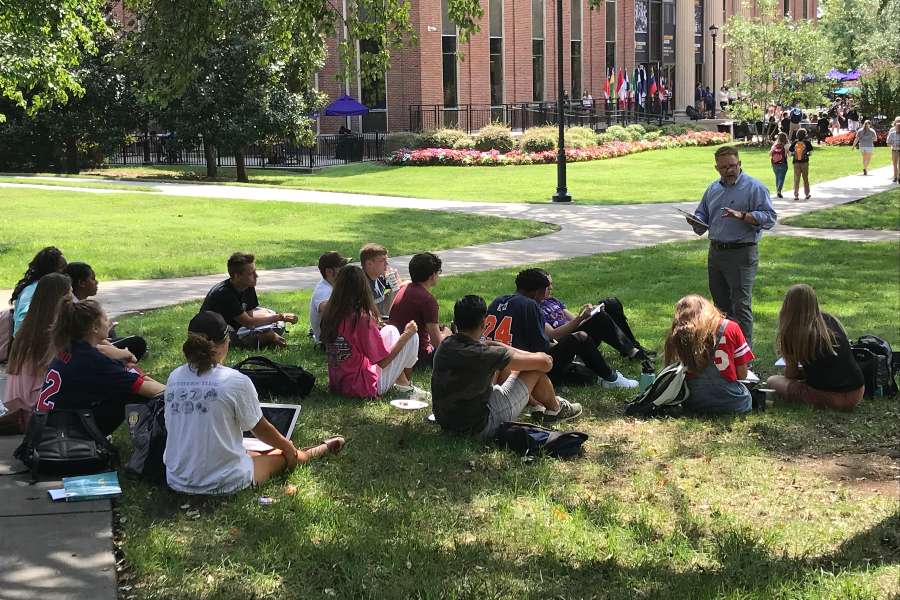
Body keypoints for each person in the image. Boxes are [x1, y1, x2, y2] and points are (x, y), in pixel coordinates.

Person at [163, 311, 345, 494]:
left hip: (177, 479)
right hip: (223, 483)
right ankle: (316, 451)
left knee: (255, 452)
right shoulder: (234, 381)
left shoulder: (174, 377)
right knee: (281, 454)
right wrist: (287, 447)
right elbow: (261, 430)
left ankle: (304, 450)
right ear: (226, 342)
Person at [432, 295, 581, 438]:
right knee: (534, 369)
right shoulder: (485, 354)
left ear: (456, 321)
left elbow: (490, 350)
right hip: (478, 426)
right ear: (484, 323)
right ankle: (555, 409)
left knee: (506, 368)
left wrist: (497, 345)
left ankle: (536, 405)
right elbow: (545, 363)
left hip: (446, 421)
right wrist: (513, 350)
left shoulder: (446, 344)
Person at [486, 269, 638, 389]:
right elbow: (541, 348)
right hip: (522, 367)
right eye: (546, 290)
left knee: (582, 369)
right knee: (580, 338)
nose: (547, 294)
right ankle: (611, 379)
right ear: (538, 291)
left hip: (497, 363)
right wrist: (567, 346)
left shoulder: (498, 301)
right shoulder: (530, 306)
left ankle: (592, 370)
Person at [34, 299, 166, 435]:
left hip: (42, 428)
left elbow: (133, 376)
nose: (109, 323)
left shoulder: (67, 348)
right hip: (67, 435)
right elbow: (149, 390)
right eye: (105, 318)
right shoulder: (93, 360)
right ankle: (152, 439)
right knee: (133, 393)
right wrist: (180, 391)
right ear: (94, 328)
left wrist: (121, 355)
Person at [689, 146, 777, 350]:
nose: (729, 170)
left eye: (732, 165)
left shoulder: (755, 187)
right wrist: (696, 220)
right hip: (716, 252)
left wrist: (744, 216)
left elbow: (770, 218)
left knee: (741, 305)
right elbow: (702, 214)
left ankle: (744, 358)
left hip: (742, 252)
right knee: (720, 305)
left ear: (740, 164)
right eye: (723, 167)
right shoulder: (713, 189)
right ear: (716, 168)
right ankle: (725, 350)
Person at [320, 265, 423, 399]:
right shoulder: (360, 318)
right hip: (363, 387)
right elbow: (383, 362)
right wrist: (406, 335)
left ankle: (403, 385)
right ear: (363, 288)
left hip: (339, 384)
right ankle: (406, 387)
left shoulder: (331, 315)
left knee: (390, 330)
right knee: (412, 336)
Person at [765, 285, 864, 411]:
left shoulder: (792, 332)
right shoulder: (829, 320)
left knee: (772, 381)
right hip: (857, 392)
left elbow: (791, 374)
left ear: (787, 305)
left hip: (831, 398)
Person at [0, 274, 72, 434]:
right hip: (36, 411)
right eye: (69, 296)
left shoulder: (27, 329)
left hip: (16, 407)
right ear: (60, 299)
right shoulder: (52, 333)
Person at [663, 295, 753, 415]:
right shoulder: (731, 327)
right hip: (734, 402)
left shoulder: (679, 334)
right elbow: (742, 374)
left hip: (693, 403)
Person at [538, 271, 654, 363]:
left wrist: (589, 313)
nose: (551, 288)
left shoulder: (552, 301)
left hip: (578, 330)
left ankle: (633, 345)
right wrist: (582, 318)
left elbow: (574, 320)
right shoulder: (535, 309)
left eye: (551, 284)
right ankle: (632, 352)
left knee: (611, 303)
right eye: (547, 286)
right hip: (570, 341)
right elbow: (554, 335)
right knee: (600, 318)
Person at [199, 252, 297, 349]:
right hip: (215, 335)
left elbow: (250, 317)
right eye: (251, 273)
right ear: (237, 276)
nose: (256, 276)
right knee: (274, 325)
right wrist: (279, 317)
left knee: (269, 314)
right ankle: (266, 337)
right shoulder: (224, 293)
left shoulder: (248, 286)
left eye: (255, 271)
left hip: (237, 325)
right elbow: (249, 323)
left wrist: (273, 317)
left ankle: (266, 336)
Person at [65, 261, 148, 361]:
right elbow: (89, 341)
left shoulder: (79, 304)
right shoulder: (76, 309)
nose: (97, 282)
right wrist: (121, 352)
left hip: (94, 343)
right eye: (92, 279)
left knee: (111, 332)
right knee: (137, 342)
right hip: (90, 350)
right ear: (81, 283)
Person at [388, 252, 451, 368]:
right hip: (418, 357)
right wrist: (447, 335)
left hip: (395, 349)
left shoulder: (404, 287)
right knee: (453, 344)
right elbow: (437, 343)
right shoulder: (428, 301)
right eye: (438, 272)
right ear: (432, 275)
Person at [10, 246, 67, 336]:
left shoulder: (49, 288)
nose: (65, 273)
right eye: (61, 268)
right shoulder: (32, 290)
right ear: (48, 269)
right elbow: (21, 323)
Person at [308, 251, 350, 344]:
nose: (345, 270)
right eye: (341, 267)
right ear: (329, 271)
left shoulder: (334, 286)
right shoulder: (323, 290)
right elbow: (327, 308)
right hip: (327, 342)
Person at [360, 243, 403, 316]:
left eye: (386, 259)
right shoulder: (362, 284)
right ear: (369, 264)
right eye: (382, 260)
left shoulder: (381, 278)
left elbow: (393, 303)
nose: (387, 263)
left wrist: (394, 284)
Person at [789, 128, 813, 200]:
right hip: (805, 162)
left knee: (796, 179)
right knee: (805, 178)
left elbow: (790, 152)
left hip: (796, 163)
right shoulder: (807, 142)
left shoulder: (794, 142)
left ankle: (796, 195)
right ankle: (807, 194)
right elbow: (810, 153)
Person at [769, 132, 789, 199]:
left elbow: (769, 154)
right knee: (782, 178)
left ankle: (777, 190)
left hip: (774, 164)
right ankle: (779, 191)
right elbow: (789, 154)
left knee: (777, 177)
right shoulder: (786, 145)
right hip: (783, 163)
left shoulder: (775, 145)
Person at [888, 117, 900, 184]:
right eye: (897, 121)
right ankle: (895, 176)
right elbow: (889, 140)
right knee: (894, 164)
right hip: (894, 149)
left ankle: (898, 176)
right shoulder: (892, 130)